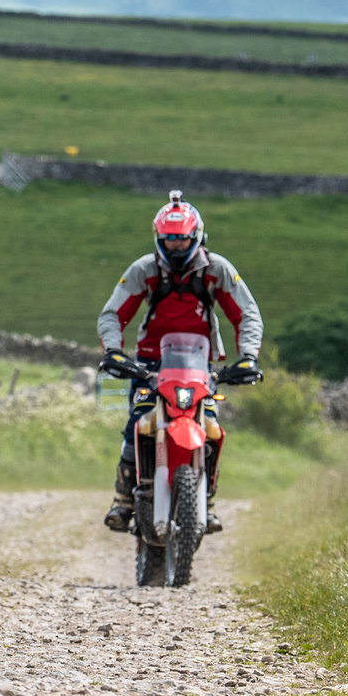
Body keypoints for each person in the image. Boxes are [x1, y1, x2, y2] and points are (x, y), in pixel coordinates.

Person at [96, 190, 263, 534]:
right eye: (168, 239)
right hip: (149, 364)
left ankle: (208, 502)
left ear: (196, 235)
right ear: (158, 237)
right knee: (137, 423)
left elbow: (246, 314)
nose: (175, 245)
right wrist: (114, 351)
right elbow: (113, 313)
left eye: (181, 238)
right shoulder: (144, 269)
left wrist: (247, 357)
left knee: (211, 428)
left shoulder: (217, 270)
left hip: (200, 366)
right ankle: (123, 499)